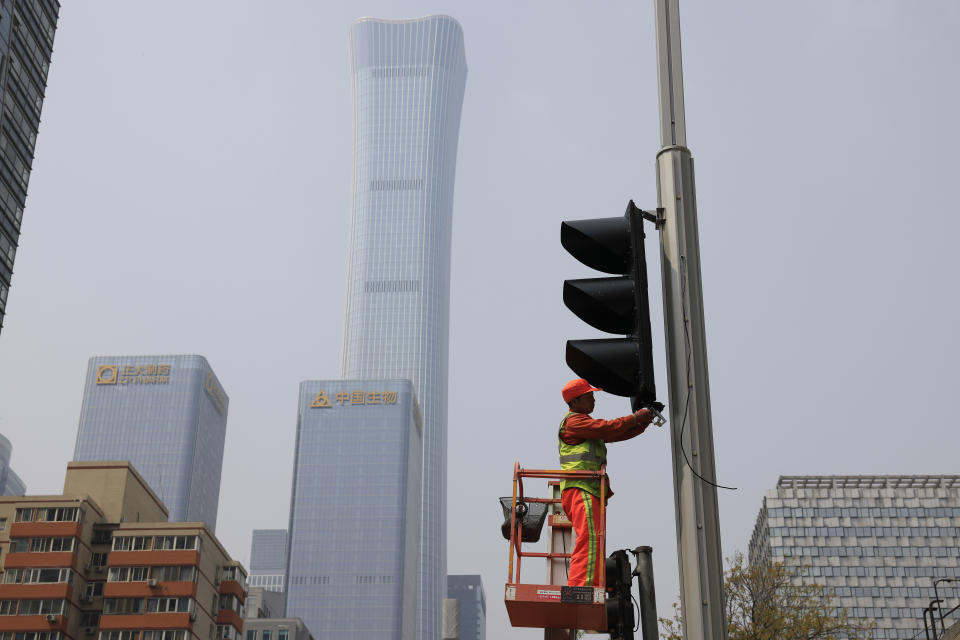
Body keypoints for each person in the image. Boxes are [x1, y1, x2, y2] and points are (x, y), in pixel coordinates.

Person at [558, 378, 653, 587]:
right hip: (580, 487)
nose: (593, 400)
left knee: (594, 539)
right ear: (575, 401)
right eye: (589, 396)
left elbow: (615, 432)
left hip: (588, 489)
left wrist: (642, 422)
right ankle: (581, 587)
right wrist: (637, 417)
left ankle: (587, 584)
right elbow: (608, 428)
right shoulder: (574, 422)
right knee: (590, 539)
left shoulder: (586, 426)